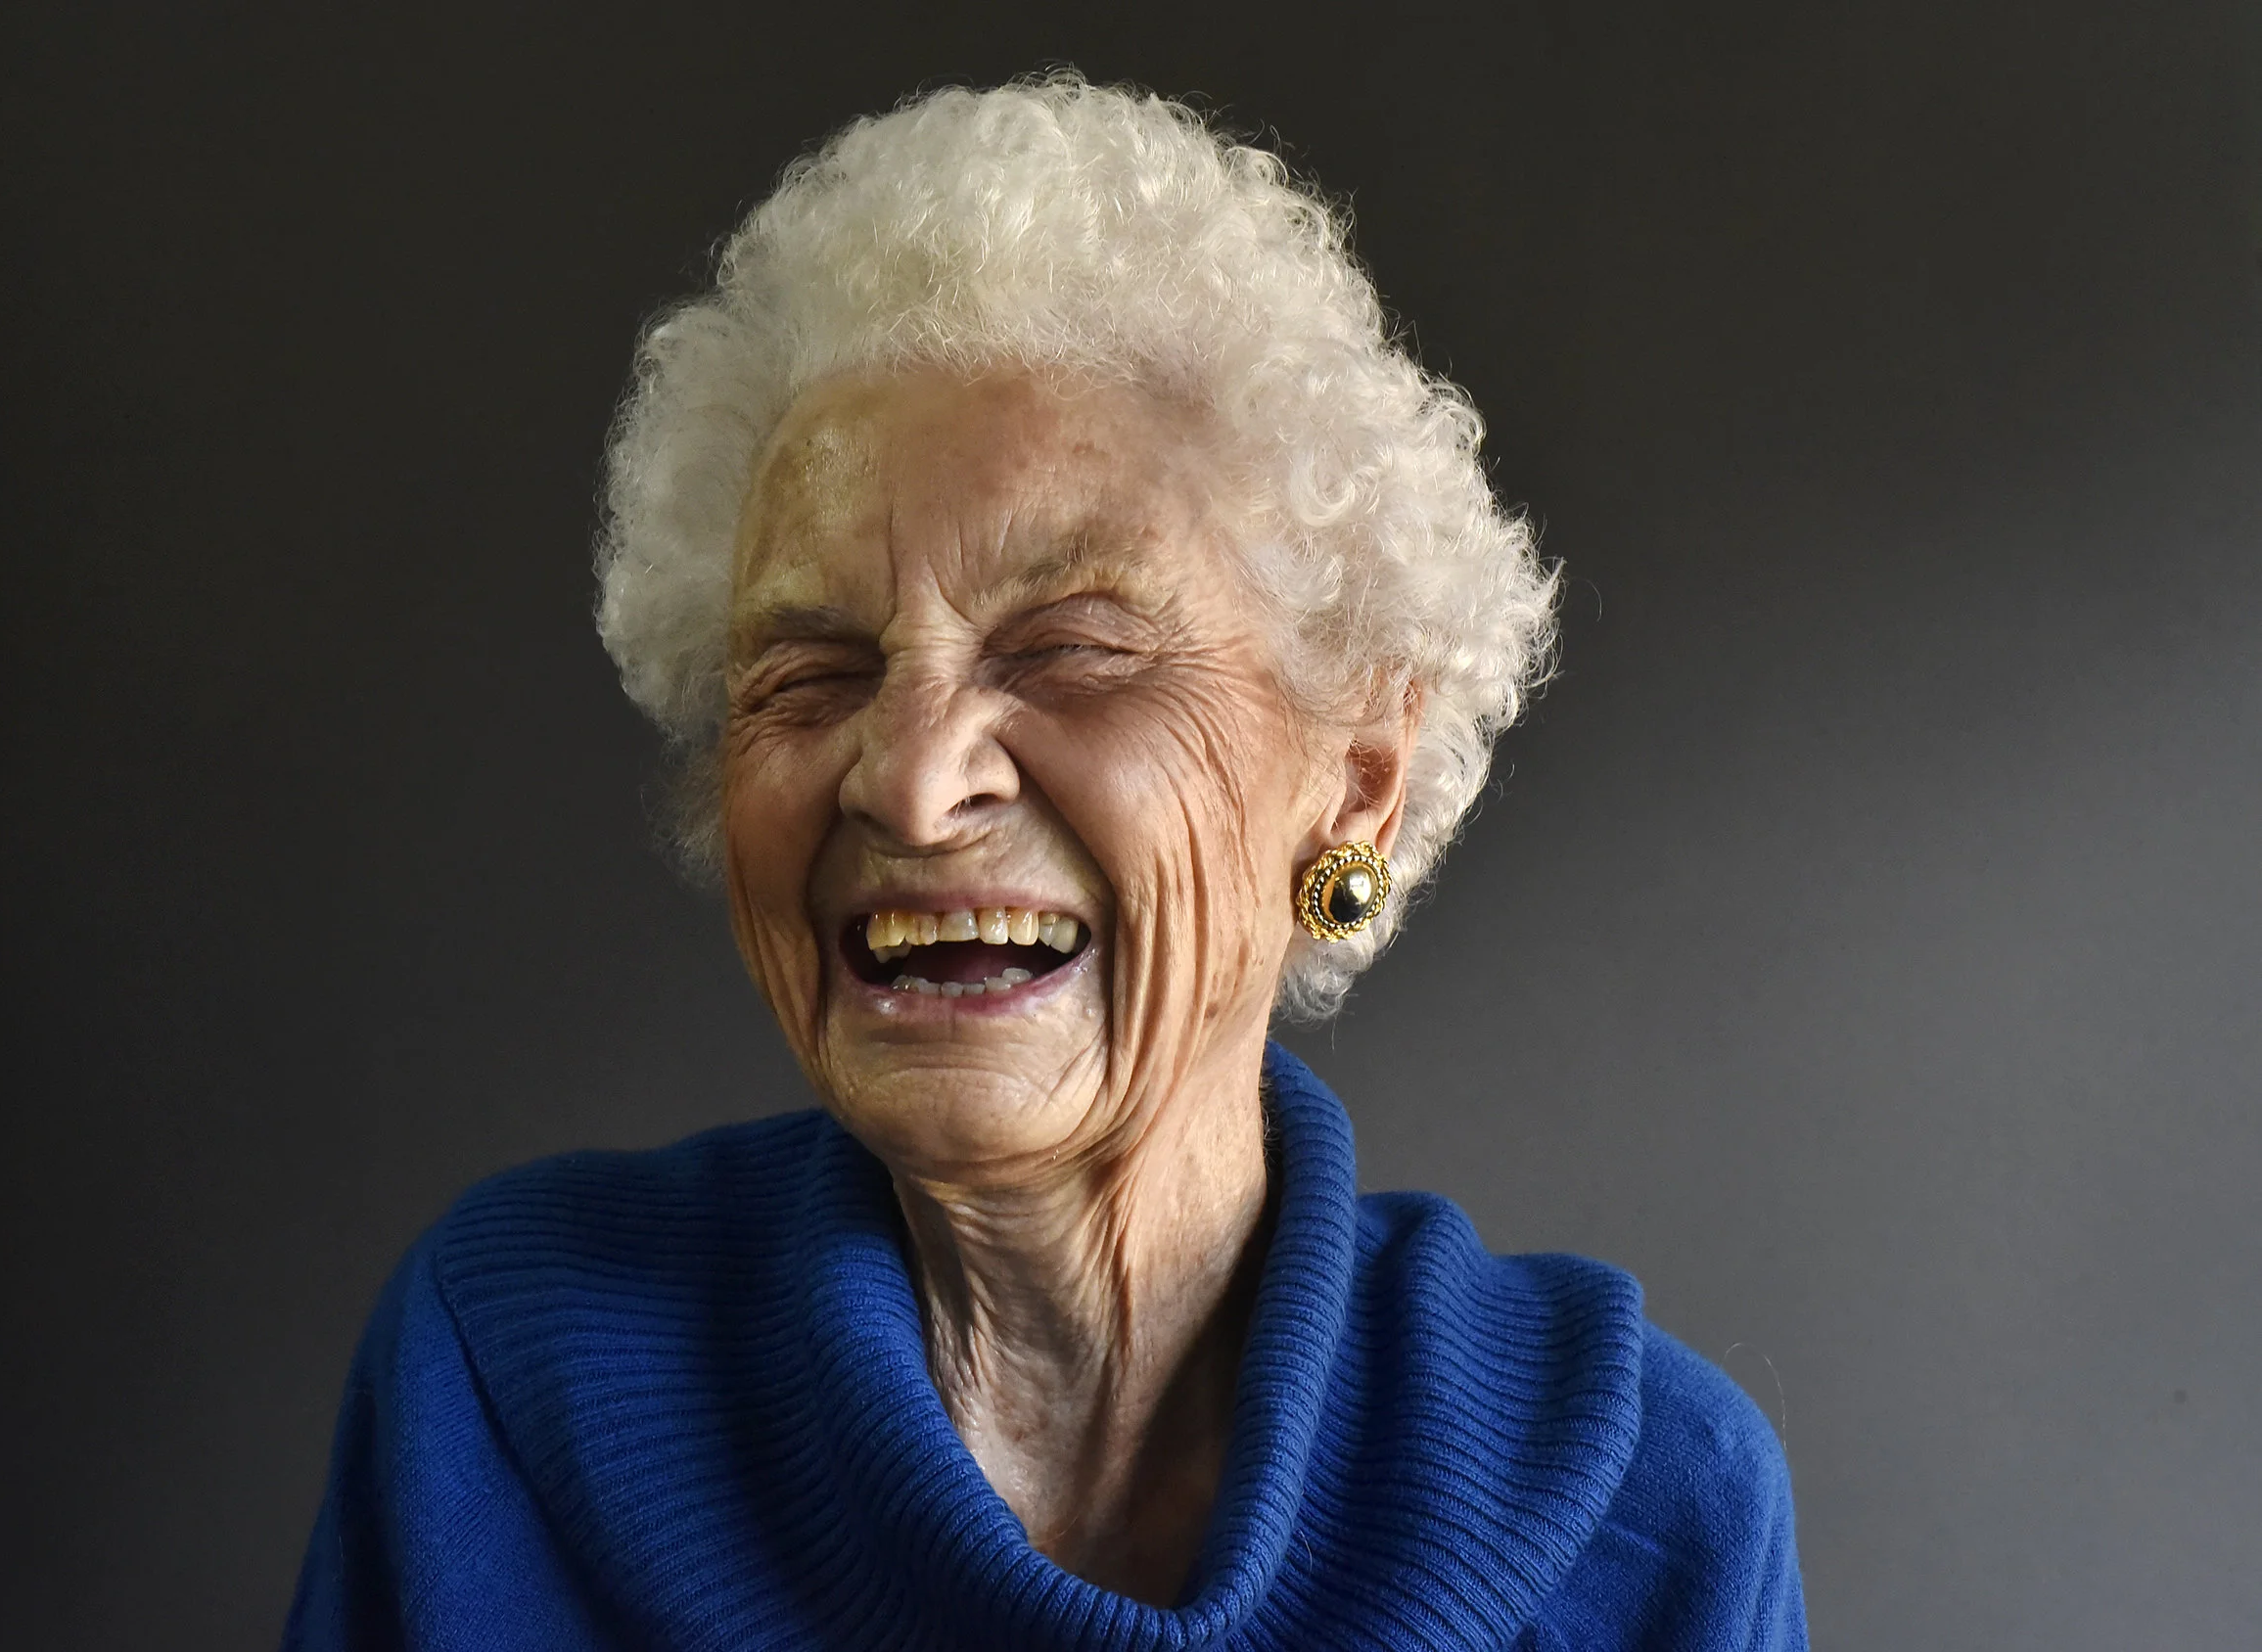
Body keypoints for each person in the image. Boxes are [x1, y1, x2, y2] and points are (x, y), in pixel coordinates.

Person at [283, 74, 1807, 1650]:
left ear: (1355, 784)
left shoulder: (1640, 1516)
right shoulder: (512, 1377)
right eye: (809, 671)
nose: (913, 777)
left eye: (1073, 649)